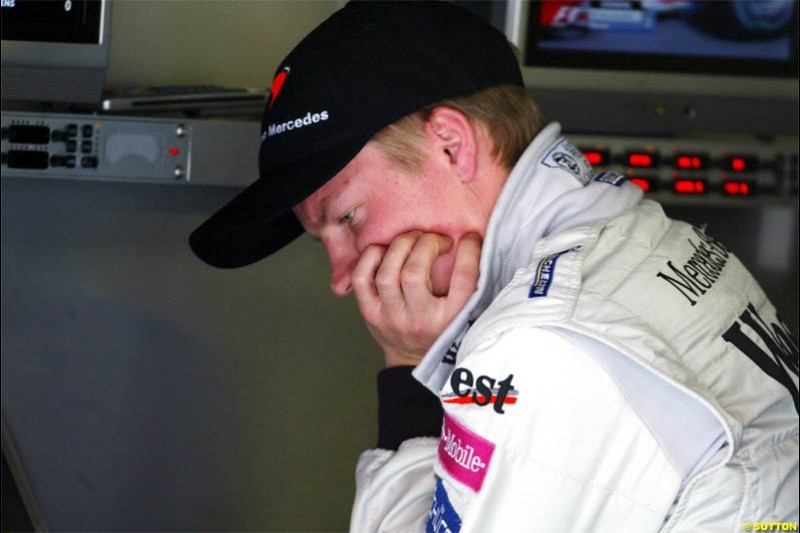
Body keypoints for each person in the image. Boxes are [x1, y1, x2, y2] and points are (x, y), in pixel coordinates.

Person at [190, 2, 799, 531]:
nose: (342, 275)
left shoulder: (539, 346)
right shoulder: (649, 237)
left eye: (347, 217)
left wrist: (408, 372)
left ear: (453, 146)